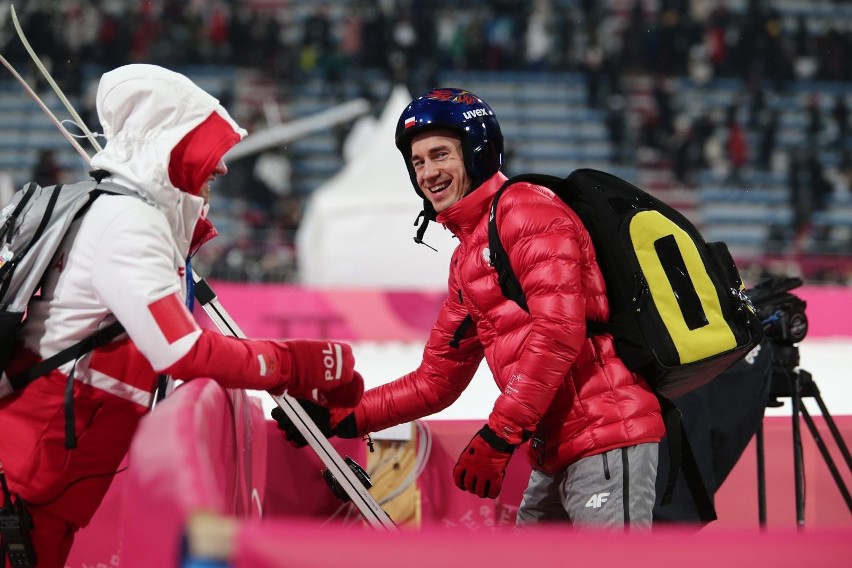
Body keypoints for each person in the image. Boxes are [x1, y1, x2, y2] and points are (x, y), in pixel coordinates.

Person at [0, 64, 364, 566]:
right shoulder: (128, 222)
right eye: (210, 149)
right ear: (171, 146)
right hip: (25, 474)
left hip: (39, 480)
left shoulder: (117, 211)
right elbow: (181, 349)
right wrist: (298, 363)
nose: (223, 169)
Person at [275, 88, 664, 530]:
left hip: (608, 434)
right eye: (418, 162)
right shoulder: (468, 258)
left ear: (477, 153)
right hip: (557, 450)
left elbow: (559, 331)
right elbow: (436, 379)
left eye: (440, 155)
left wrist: (500, 434)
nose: (428, 173)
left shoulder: (526, 209)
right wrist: (344, 416)